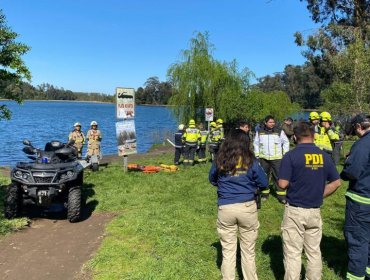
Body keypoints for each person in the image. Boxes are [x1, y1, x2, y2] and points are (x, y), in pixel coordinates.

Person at [278, 122, 341, 280]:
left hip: (295, 210)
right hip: (314, 210)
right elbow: (337, 182)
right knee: (313, 251)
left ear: (294, 137)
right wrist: (320, 194)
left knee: (293, 252)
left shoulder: (290, 156)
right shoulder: (323, 155)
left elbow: (283, 184)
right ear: (313, 136)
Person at [209, 128, 269, 280]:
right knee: (248, 250)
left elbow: (212, 179)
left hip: (226, 207)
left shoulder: (220, 159)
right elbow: (264, 182)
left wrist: (224, 185)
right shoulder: (251, 161)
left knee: (228, 251)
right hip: (247, 207)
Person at [340, 113, 370, 280]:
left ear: (359, 126)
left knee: (358, 242)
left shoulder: (363, 144)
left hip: (361, 203)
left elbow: (352, 172)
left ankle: (355, 277)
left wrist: (345, 169)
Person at [253, 115, 290, 203]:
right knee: (264, 176)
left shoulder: (279, 131)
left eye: (273, 122)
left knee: (278, 176)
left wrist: (285, 154)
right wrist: (257, 155)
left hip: (277, 158)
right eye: (270, 122)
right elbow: (256, 144)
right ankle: (264, 194)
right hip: (263, 158)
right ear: (265, 123)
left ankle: (281, 196)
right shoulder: (259, 131)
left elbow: (286, 142)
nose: (272, 124)